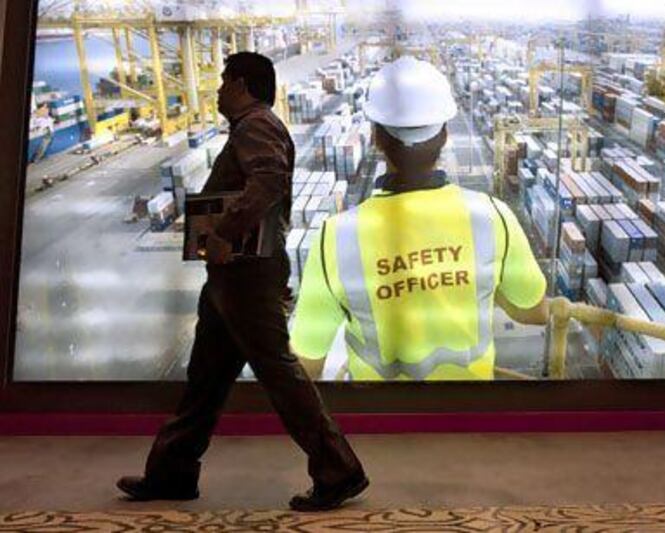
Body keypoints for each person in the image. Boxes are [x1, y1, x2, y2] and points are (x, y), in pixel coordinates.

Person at [117, 52, 368, 512]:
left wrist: (224, 232)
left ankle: (339, 470)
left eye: (222, 82)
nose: (215, 91)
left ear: (242, 85)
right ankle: (172, 472)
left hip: (245, 278)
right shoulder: (255, 125)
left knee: (278, 372)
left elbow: (269, 179)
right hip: (233, 279)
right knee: (205, 378)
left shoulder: (256, 125)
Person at [291, 56, 549, 381]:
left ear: (375, 137)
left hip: (382, 425)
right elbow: (535, 312)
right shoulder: (492, 216)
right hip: (473, 415)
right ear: (444, 135)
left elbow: (307, 362)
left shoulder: (335, 238)